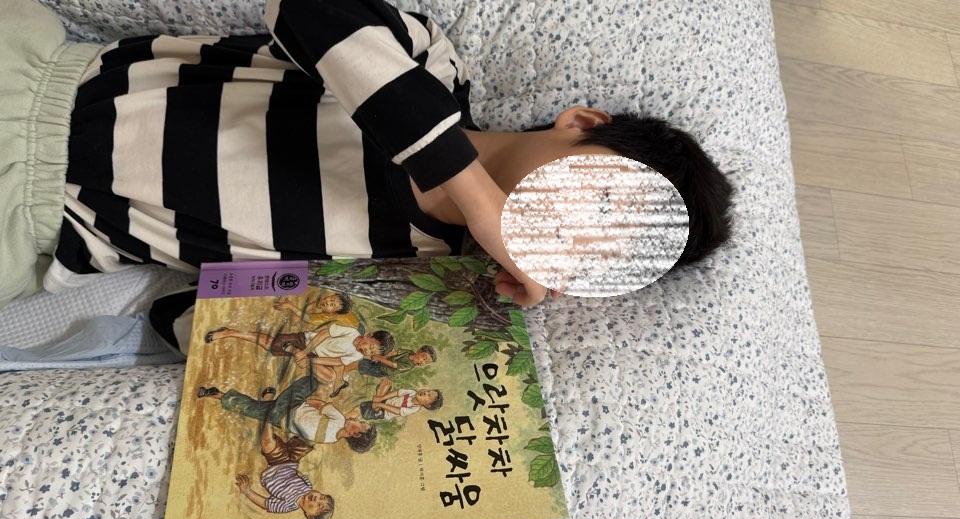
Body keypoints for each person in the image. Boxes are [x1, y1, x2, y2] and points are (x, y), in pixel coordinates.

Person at [0, 0, 735, 311]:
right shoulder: (430, 70)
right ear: (579, 124)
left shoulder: (409, 277)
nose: (571, 237)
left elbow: (206, 306)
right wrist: (477, 198)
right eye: (601, 202)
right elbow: (305, 9)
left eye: (589, 263)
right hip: (42, 84)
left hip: (42, 227)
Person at [205, 322, 394, 397]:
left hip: (314, 355)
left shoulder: (358, 355)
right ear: (368, 335)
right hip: (307, 341)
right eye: (370, 346)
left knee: (329, 376)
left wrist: (309, 360)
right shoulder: (351, 332)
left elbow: (337, 362)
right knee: (269, 343)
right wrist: (305, 351)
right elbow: (323, 333)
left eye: (371, 352)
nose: (366, 351)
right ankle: (229, 332)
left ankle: (295, 353)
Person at [198, 380, 378, 453]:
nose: (356, 419)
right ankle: (218, 394)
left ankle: (267, 399)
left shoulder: (338, 422)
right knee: (253, 409)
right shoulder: (331, 438)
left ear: (355, 434)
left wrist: (302, 401)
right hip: (282, 417)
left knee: (311, 381)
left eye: (360, 423)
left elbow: (319, 405)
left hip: (287, 408)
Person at [233, 416, 335, 519]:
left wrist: (247, 491)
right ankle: (295, 418)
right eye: (321, 497)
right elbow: (300, 474)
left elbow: (265, 504)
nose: (316, 498)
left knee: (267, 443)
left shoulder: (286, 506)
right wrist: (293, 467)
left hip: (276, 463)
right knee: (309, 441)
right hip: (292, 462)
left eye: (318, 505)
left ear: (310, 515)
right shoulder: (309, 487)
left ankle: (269, 415)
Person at [359, 378, 443, 420]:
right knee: (386, 381)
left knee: (363, 410)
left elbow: (397, 411)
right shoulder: (412, 392)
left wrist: (379, 404)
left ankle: (374, 406)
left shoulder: (414, 408)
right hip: (386, 401)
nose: (425, 392)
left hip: (385, 411)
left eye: (428, 395)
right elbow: (397, 393)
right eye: (428, 391)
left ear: (427, 405)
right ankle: (377, 400)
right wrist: (381, 398)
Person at [273, 290, 360, 330]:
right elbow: (316, 304)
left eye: (332, 305)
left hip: (354, 329)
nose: (328, 302)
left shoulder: (330, 317)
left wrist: (290, 306)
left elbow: (308, 318)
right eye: (331, 299)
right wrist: (298, 315)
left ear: (335, 312)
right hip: (352, 321)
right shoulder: (326, 305)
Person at [357, 344, 436, 379]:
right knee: (362, 359)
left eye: (426, 363)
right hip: (382, 363)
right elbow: (395, 353)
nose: (423, 362)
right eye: (424, 358)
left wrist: (379, 359)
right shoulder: (409, 352)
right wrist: (381, 357)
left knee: (359, 364)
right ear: (419, 351)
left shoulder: (410, 365)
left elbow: (393, 365)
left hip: (382, 370)